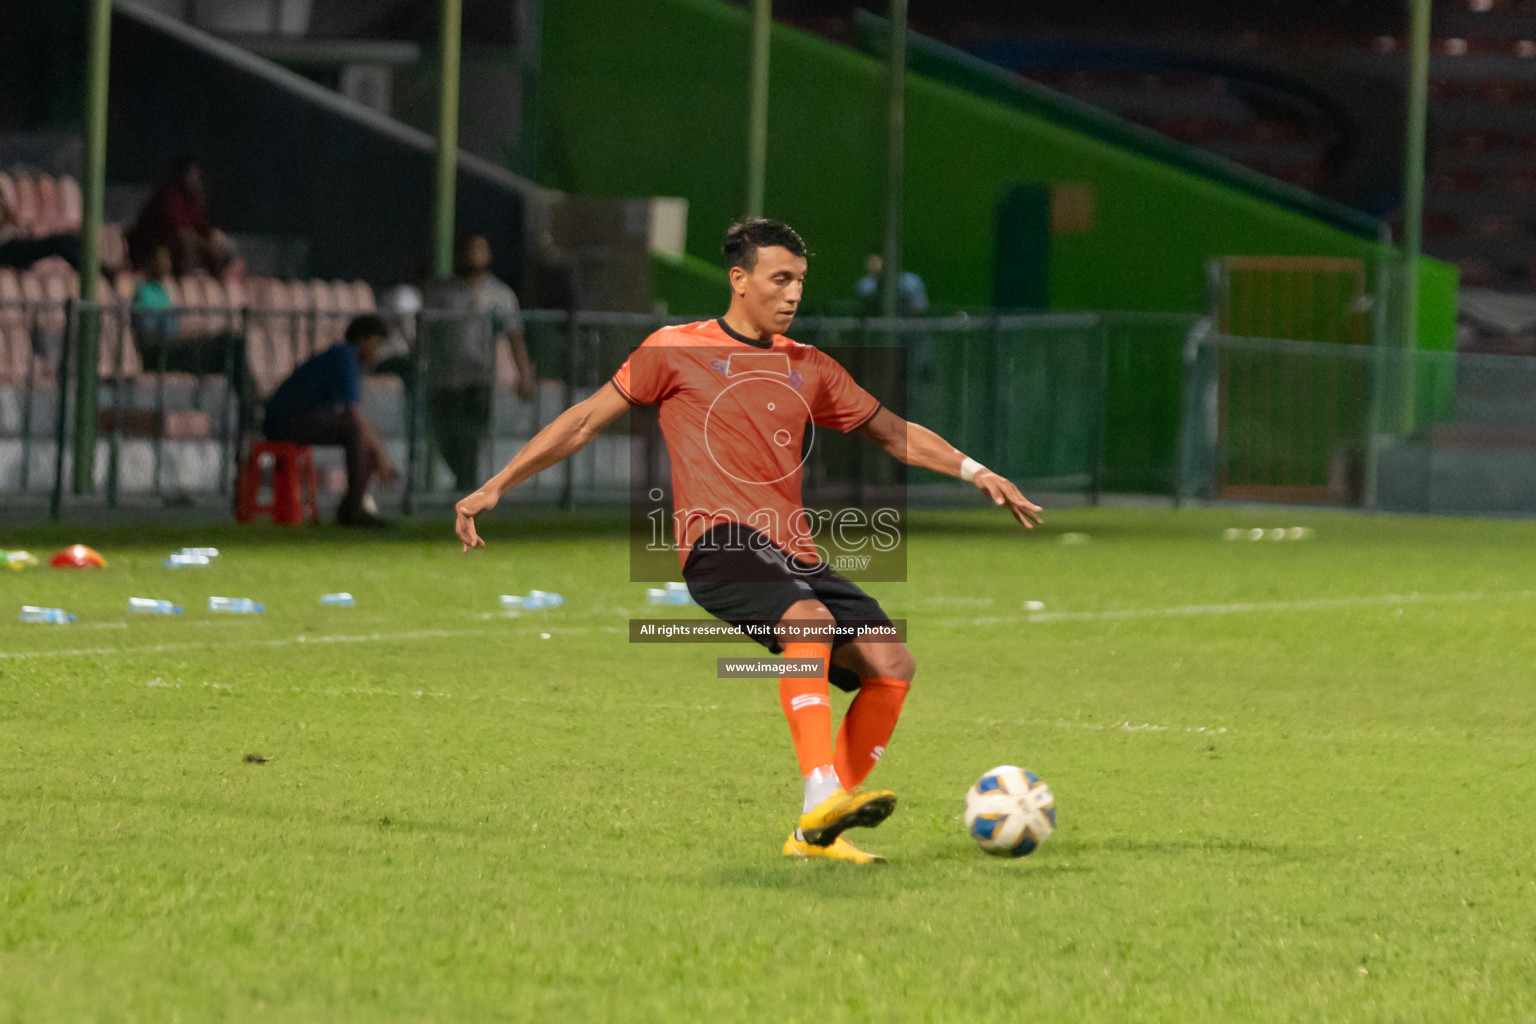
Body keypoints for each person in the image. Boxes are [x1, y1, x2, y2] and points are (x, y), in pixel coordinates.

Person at [453, 219, 1042, 863]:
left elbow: (893, 432)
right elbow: (584, 420)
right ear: (739, 280)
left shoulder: (808, 366)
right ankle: (819, 793)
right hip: (718, 544)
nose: (793, 295)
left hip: (792, 552)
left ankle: (816, 832)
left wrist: (976, 471)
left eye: (800, 282)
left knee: (891, 665)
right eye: (779, 279)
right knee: (808, 620)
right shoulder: (674, 349)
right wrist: (497, 485)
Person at [422, 233, 536, 491]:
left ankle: (467, 487)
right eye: (469, 249)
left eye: (480, 249)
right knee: (443, 434)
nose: (474, 255)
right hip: (444, 377)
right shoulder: (443, 292)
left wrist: (524, 374)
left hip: (478, 377)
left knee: (471, 435)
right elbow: (426, 333)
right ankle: (465, 482)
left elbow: (515, 336)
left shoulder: (500, 294)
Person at [264, 314, 398, 527]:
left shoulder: (346, 359)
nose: (379, 352)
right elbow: (353, 414)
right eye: (377, 344)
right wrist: (382, 458)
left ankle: (352, 509)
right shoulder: (344, 357)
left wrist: (379, 453)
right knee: (357, 432)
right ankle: (353, 514)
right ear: (363, 340)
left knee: (364, 436)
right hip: (284, 423)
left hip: (301, 420)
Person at [127, 157, 234, 277]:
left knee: (218, 246)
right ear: (182, 175)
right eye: (192, 174)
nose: (195, 178)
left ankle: (216, 285)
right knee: (187, 240)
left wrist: (212, 235)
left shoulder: (194, 198)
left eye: (197, 175)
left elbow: (202, 226)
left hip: (189, 240)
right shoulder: (168, 195)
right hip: (157, 243)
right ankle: (184, 280)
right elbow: (173, 227)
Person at [0, 188, 82, 271]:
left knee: (67, 239)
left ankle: (87, 268)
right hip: (7, 251)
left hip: (16, 244)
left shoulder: (4, 208)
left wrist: (22, 230)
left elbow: (11, 226)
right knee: (59, 242)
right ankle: (86, 270)